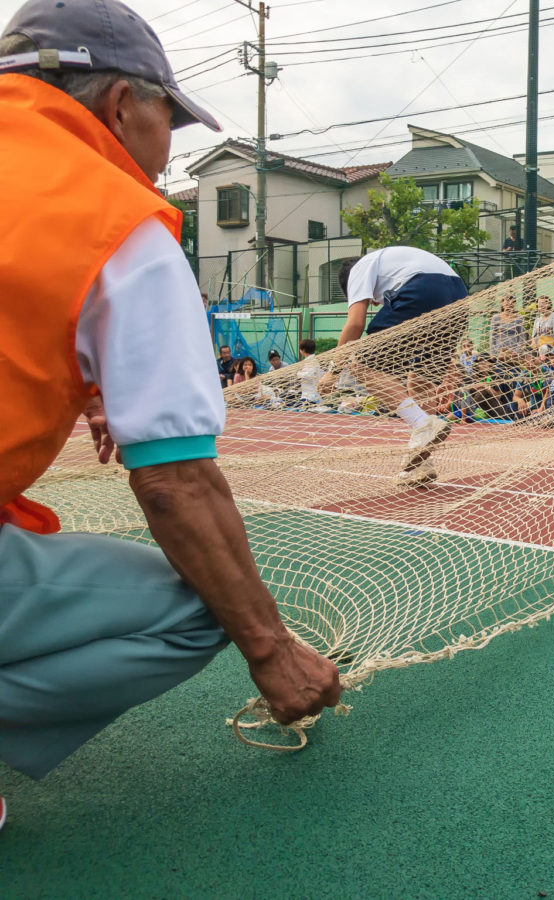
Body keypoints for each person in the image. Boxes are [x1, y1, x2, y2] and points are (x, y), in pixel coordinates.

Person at [0, 0, 340, 803]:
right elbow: (174, 483)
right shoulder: (113, 219)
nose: (162, 153)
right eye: (168, 123)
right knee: (195, 610)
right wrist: (270, 649)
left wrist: (79, 376)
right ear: (123, 105)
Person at [327, 246, 469, 475]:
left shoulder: (358, 269)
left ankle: (423, 424)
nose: (374, 303)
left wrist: (332, 372)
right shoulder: (392, 261)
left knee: (360, 365)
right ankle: (420, 465)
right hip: (459, 297)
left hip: (422, 289)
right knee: (421, 381)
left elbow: (354, 324)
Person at [296, 337, 323, 403]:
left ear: (303, 350)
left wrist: (298, 374)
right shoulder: (311, 360)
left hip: (310, 396)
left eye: (300, 349)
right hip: (309, 394)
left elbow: (309, 375)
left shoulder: (311, 361)